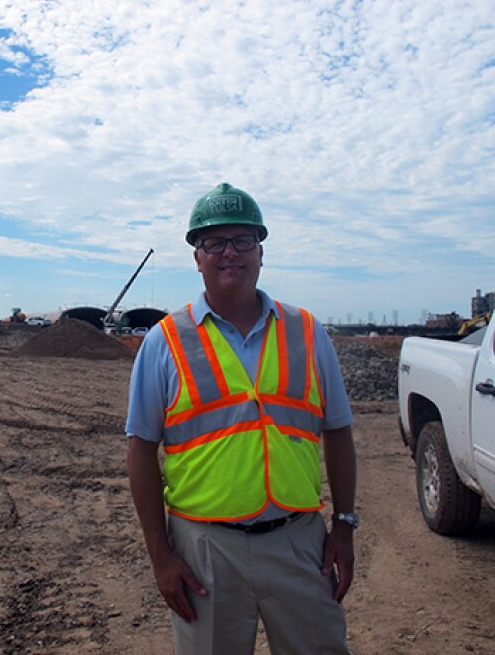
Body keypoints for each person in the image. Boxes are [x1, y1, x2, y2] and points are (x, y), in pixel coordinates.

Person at [126, 183, 358, 654]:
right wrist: (161, 556)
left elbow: (337, 430)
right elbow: (140, 449)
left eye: (243, 241)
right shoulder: (164, 341)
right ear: (197, 257)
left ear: (260, 251)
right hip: (204, 552)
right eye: (214, 242)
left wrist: (345, 526)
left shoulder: (309, 332)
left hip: (299, 545)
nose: (229, 253)